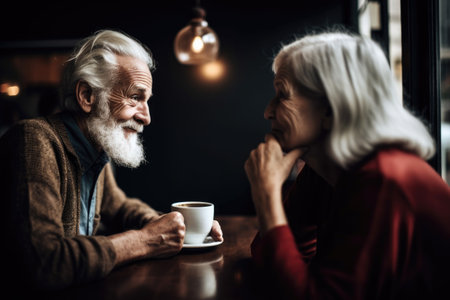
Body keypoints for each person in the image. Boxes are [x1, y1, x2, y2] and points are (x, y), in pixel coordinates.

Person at [0, 29, 223, 292]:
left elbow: (120, 207)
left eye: (147, 101)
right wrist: (145, 241)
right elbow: (44, 262)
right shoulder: (34, 140)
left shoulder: (95, 148)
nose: (146, 117)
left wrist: (173, 227)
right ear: (87, 96)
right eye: (135, 97)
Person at [244, 30, 450, 300]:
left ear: (331, 108)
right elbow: (270, 256)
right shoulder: (325, 169)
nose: (268, 111)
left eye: (282, 95)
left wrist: (267, 194)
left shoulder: (384, 179)